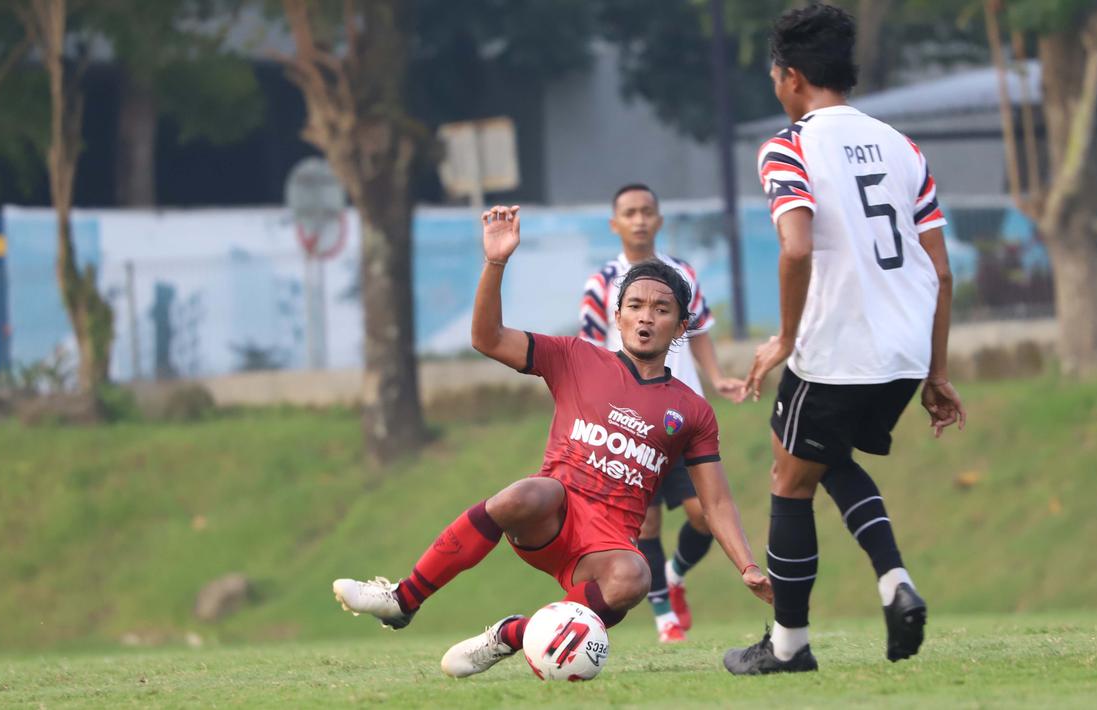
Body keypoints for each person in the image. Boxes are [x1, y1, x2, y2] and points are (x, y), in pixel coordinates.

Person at [333, 205, 772, 679]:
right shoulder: (575, 357)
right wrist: (496, 262)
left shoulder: (691, 409)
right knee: (530, 490)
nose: (647, 318)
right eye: (636, 307)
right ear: (618, 316)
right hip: (551, 518)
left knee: (636, 576)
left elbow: (717, 501)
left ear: (680, 327)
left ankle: (514, 635)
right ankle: (403, 599)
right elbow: (486, 337)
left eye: (661, 309)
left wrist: (746, 565)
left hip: (607, 545)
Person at [722, 4, 966, 675]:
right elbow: (940, 270)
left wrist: (782, 340)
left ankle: (788, 647)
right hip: (902, 349)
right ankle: (894, 582)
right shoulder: (902, 146)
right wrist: (935, 373)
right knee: (822, 461)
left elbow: (795, 249)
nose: (775, 86)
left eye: (775, 75)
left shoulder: (788, 144)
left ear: (792, 77)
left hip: (835, 348)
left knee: (787, 477)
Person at [580, 184, 745, 643]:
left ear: (659, 220)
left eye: (647, 211)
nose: (639, 220)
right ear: (615, 224)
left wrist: (715, 378)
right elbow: (590, 359)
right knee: (646, 523)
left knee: (704, 516)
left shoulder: (683, 273)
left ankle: (673, 574)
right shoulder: (601, 284)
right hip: (629, 426)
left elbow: (702, 330)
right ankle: (664, 618)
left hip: (680, 421)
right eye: (629, 213)